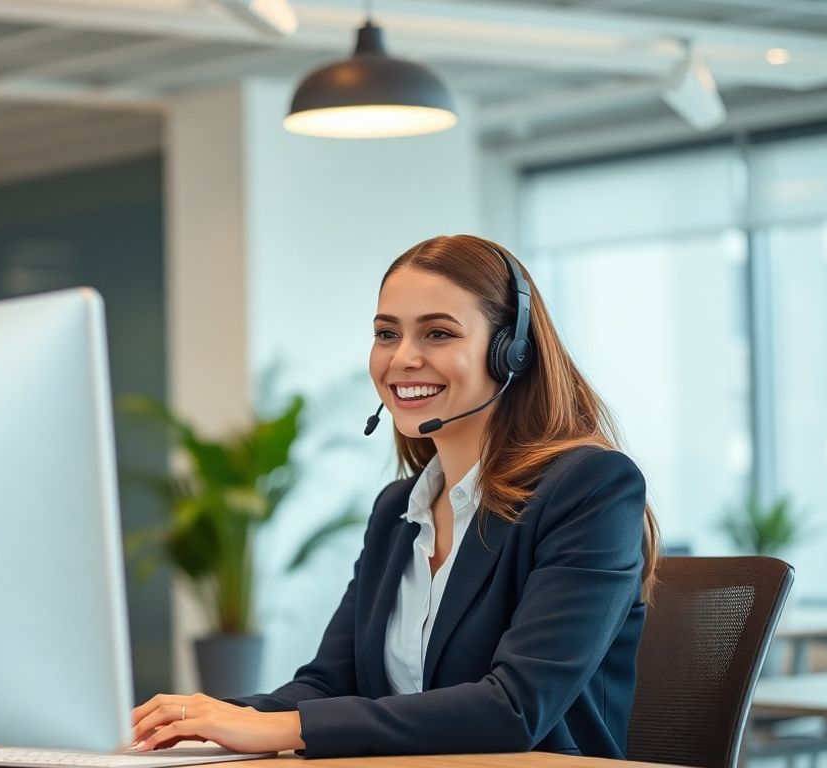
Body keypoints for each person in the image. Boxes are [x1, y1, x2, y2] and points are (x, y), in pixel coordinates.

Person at [130, 234, 659, 758]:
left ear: (511, 353)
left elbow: (515, 708)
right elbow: (327, 685)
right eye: (387, 333)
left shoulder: (591, 488)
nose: (402, 358)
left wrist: (282, 730)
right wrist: (199, 720)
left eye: (437, 333)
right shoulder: (396, 512)